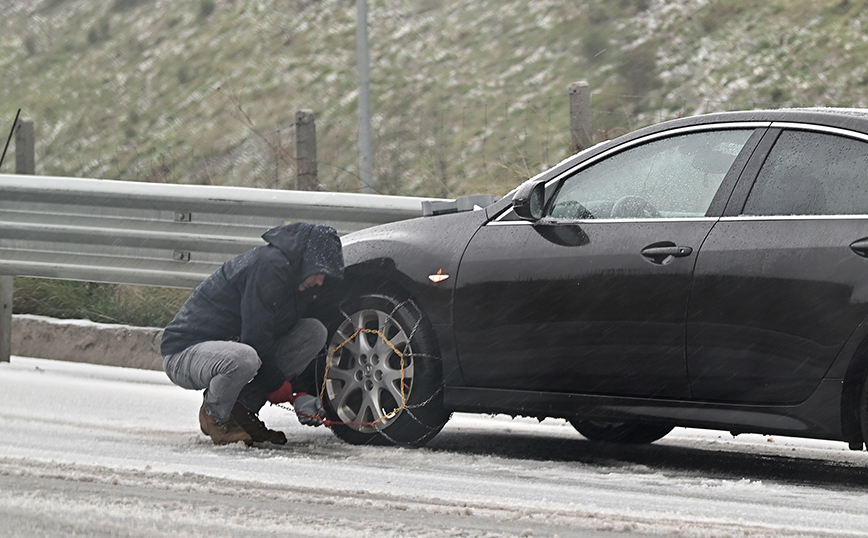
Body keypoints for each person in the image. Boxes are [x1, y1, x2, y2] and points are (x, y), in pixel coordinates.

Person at [160, 222, 344, 445]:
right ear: (307, 260)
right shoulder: (270, 266)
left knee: (313, 332)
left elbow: (276, 340)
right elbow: (256, 336)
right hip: (185, 352)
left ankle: (241, 412)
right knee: (244, 358)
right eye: (319, 271)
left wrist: (301, 392)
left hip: (231, 348)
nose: (320, 281)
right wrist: (280, 388)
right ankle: (215, 415)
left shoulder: (298, 282)